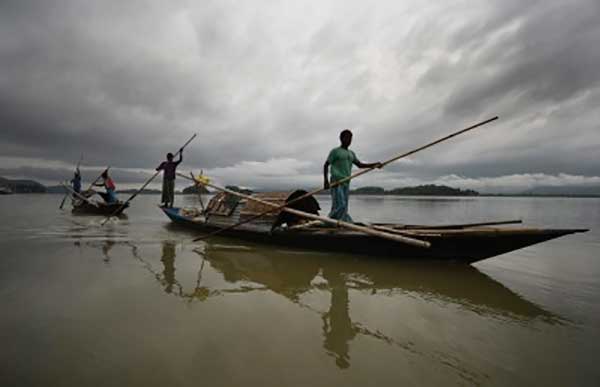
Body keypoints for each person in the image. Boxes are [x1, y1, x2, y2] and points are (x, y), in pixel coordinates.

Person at [323, 129, 382, 222]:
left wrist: (374, 165)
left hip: (346, 182)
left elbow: (360, 165)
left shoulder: (351, 153)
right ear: (341, 139)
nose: (349, 140)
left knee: (344, 206)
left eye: (350, 138)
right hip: (336, 181)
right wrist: (325, 181)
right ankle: (329, 221)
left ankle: (341, 222)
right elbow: (326, 165)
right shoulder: (335, 151)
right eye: (346, 138)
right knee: (340, 205)